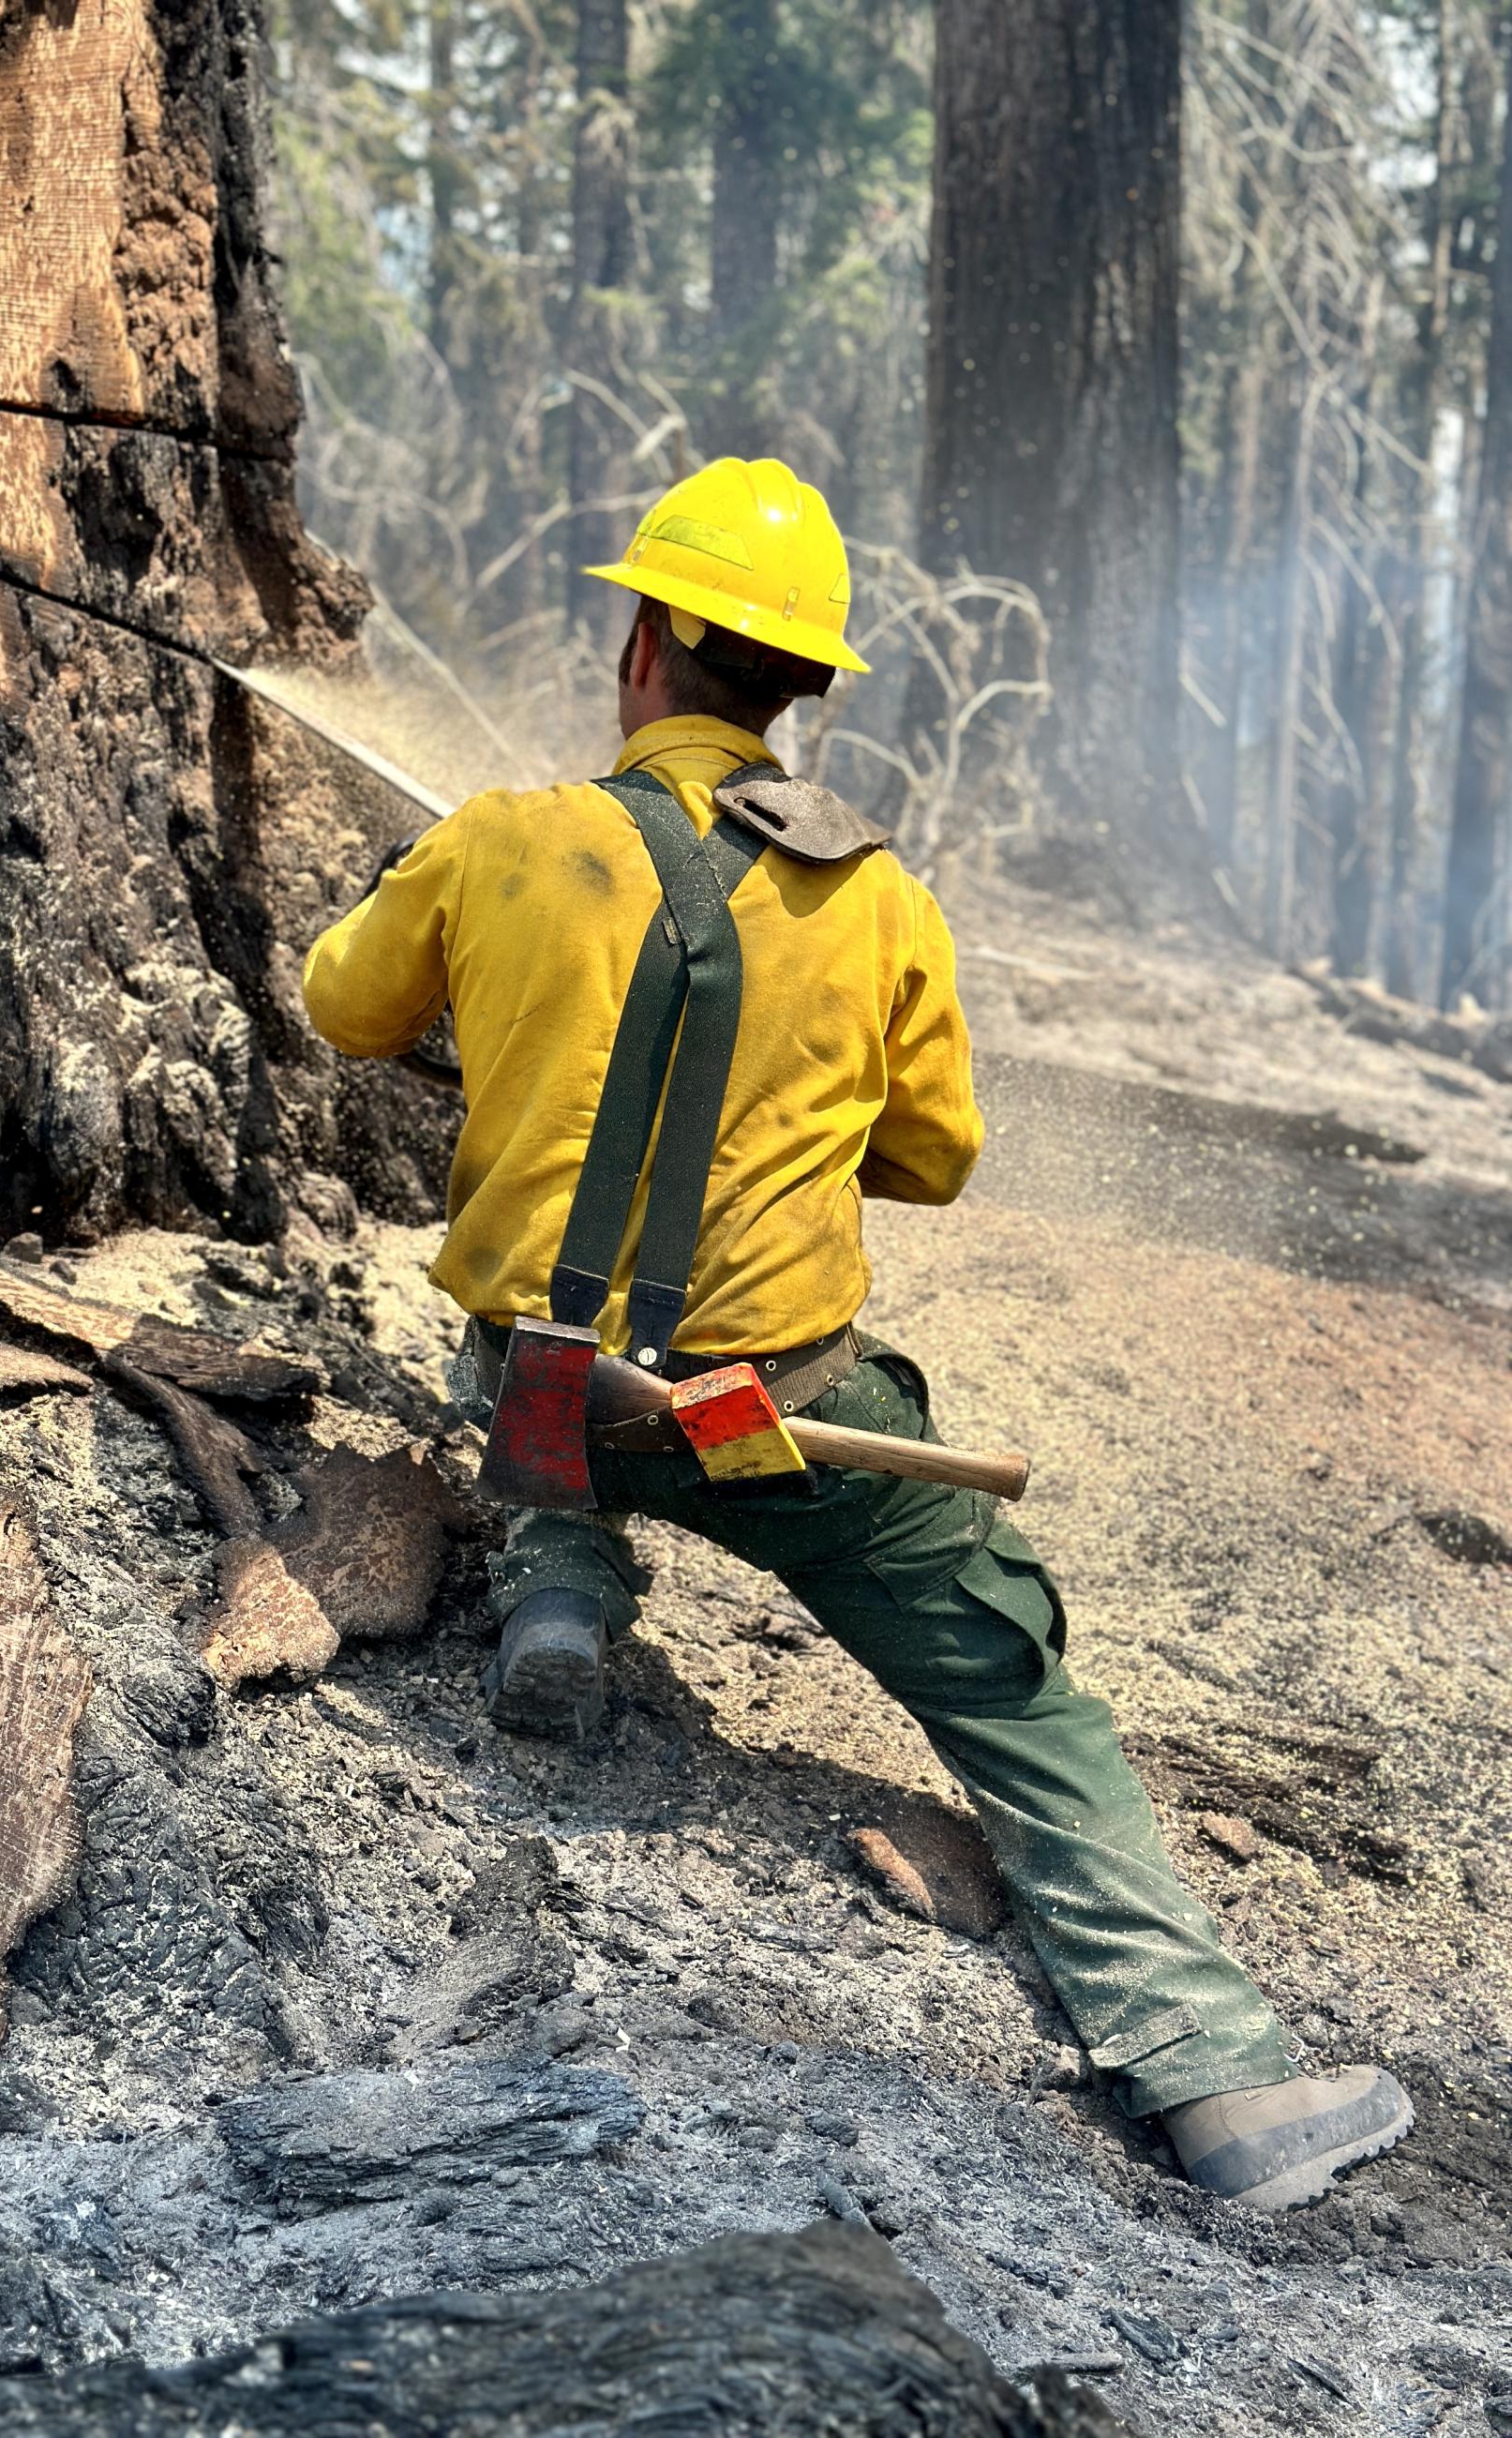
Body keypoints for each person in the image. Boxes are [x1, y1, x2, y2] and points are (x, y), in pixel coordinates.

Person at [300, 455, 1413, 2213]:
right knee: (1004, 1677)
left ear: (646, 638)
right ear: (807, 688)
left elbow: (340, 1004)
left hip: (525, 1393)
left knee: (550, 1373)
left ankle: (562, 1575)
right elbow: (938, 1155)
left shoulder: (503, 838)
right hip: (761, 1426)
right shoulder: (876, 897)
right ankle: (1219, 2084)